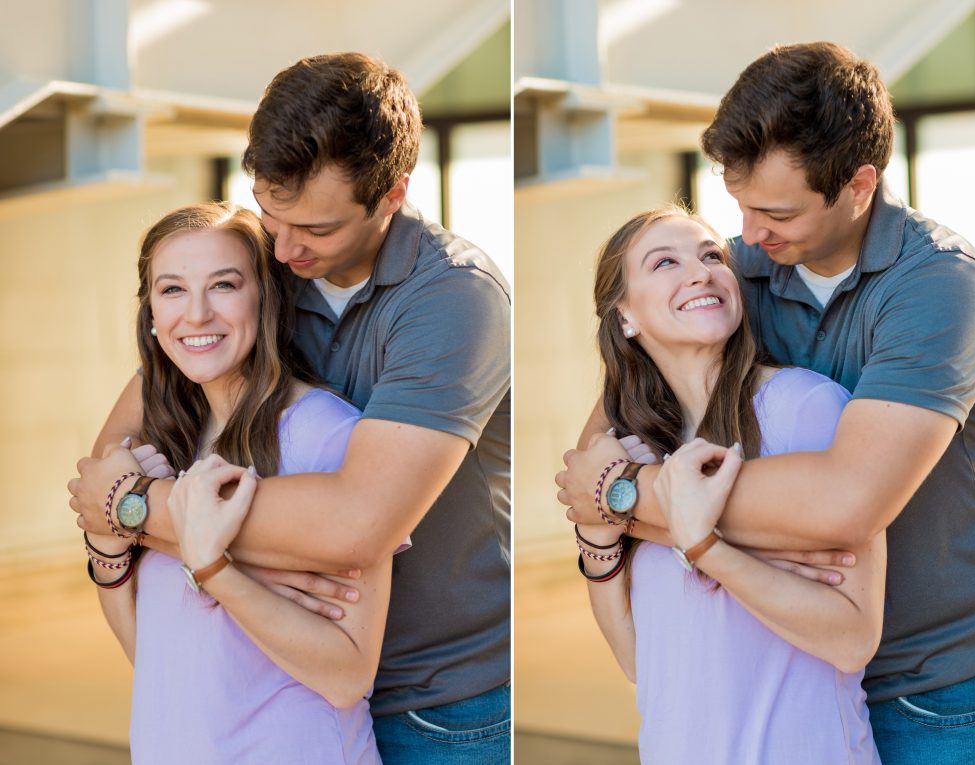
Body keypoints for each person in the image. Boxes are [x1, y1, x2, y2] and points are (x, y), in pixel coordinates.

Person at [557, 42, 975, 764]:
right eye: (738, 207)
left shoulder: (940, 289)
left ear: (859, 185)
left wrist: (629, 499)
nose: (746, 236)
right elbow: (601, 448)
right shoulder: (744, 272)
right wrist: (623, 493)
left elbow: (845, 503)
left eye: (775, 211)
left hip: (934, 686)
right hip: (793, 664)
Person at [68, 53, 510, 764]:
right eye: (270, 213)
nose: (284, 246)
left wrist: (133, 512)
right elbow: (124, 438)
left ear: (392, 194)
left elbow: (354, 523)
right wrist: (121, 508)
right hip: (278, 677)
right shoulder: (271, 263)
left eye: (316, 228)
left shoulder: (456, 299)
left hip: (442, 700)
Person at [575, 205, 884, 764]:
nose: (700, 272)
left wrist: (704, 547)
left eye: (711, 256)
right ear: (624, 316)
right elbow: (638, 664)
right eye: (665, 262)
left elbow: (853, 637)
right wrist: (598, 533)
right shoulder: (630, 454)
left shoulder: (803, 409)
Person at [84, 202, 390, 763]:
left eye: (223, 284)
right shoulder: (162, 445)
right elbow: (156, 659)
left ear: (264, 299)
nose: (196, 314)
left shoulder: (326, 435)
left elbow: (347, 676)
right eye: (172, 290)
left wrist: (214, 568)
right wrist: (107, 545)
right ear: (150, 312)